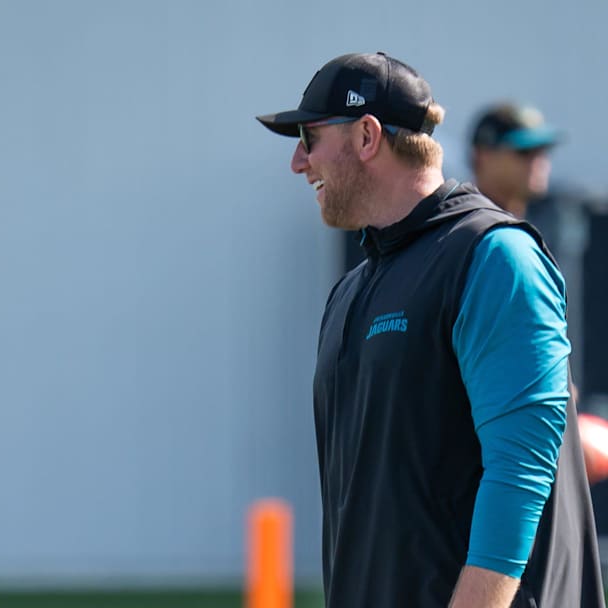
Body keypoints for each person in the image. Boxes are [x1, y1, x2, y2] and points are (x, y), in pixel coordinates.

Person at [256, 52, 603, 607]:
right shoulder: (350, 294)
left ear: (368, 136)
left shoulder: (492, 256)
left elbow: (520, 475)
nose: (299, 162)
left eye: (309, 137)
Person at [469, 102, 559, 221]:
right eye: (524, 151)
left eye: (542, 151)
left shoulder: (550, 220)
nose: (539, 163)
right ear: (483, 156)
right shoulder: (460, 224)